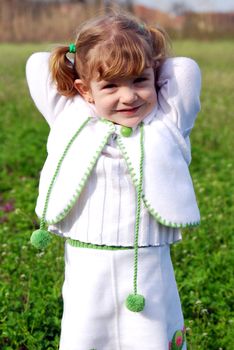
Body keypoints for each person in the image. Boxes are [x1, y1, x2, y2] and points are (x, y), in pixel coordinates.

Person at [26, 11, 201, 350]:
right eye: (110, 85)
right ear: (83, 90)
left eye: (140, 80)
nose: (129, 97)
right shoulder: (70, 113)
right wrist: (82, 69)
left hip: (146, 262)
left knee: (149, 335)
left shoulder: (168, 120)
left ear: (156, 74)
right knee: (87, 334)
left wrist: (149, 50)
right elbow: (37, 65)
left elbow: (186, 70)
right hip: (87, 262)